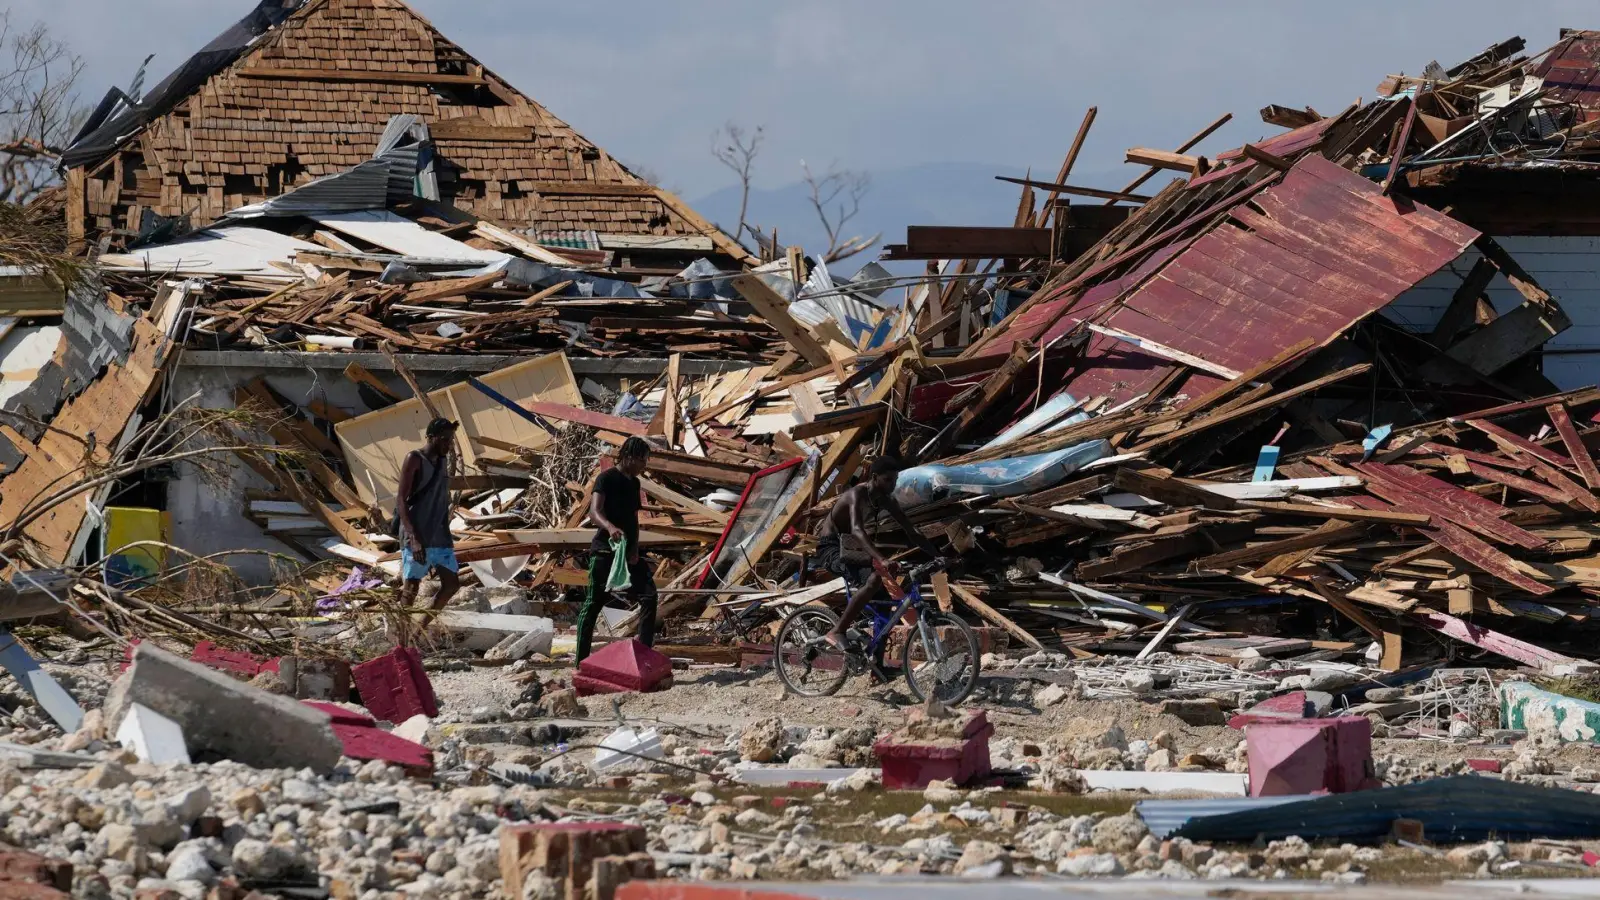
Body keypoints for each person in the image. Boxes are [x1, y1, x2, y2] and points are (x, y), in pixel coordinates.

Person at [813, 455, 939, 651]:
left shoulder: (886, 500)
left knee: (885, 604)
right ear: (874, 477)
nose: (892, 485)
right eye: (888, 480)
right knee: (873, 579)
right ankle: (837, 630)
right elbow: (856, 529)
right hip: (831, 548)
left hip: (852, 548)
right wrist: (881, 558)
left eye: (895, 480)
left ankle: (877, 662)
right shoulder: (856, 494)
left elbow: (912, 531)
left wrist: (937, 556)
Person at [576, 436, 659, 663]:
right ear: (630, 457)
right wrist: (610, 526)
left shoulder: (634, 483)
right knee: (593, 604)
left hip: (627, 554)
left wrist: (634, 549)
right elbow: (594, 512)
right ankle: (581, 661)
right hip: (604, 552)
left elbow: (634, 519)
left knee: (649, 596)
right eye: (642, 460)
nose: (645, 465)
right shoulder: (606, 479)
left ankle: (643, 656)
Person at [394, 417, 461, 639]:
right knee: (411, 588)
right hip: (417, 533)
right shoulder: (414, 459)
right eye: (444, 440)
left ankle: (417, 631)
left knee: (451, 585)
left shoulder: (442, 461)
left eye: (450, 441)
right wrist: (413, 538)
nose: (448, 445)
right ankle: (402, 640)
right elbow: (401, 500)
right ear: (431, 437)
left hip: (439, 533)